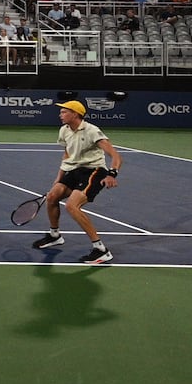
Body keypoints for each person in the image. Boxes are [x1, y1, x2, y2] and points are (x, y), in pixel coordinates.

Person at [31, 98, 122, 264]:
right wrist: (58, 180)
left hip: (94, 171)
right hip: (74, 170)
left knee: (72, 206)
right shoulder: (64, 130)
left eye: (64, 112)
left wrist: (112, 174)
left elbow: (115, 155)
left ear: (75, 114)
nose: (60, 114)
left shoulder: (92, 131)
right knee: (52, 197)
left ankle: (101, 250)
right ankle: (54, 236)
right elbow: (67, 155)